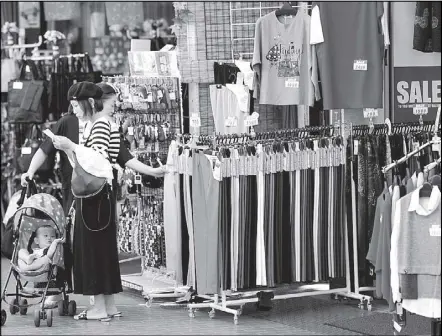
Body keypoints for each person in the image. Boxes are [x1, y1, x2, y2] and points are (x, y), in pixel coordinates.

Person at [52, 82, 165, 321]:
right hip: (100, 195)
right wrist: (153, 172)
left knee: (92, 249)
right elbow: (122, 157)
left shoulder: (100, 125)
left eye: (76, 105)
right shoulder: (100, 125)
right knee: (102, 249)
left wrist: (70, 146)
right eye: (113, 102)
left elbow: (98, 160)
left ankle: (100, 308)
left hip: (94, 196)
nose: (74, 110)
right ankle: (107, 306)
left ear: (90, 102)